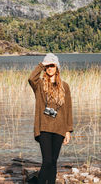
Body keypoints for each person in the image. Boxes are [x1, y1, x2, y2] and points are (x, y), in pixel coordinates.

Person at [28, 53, 73, 184]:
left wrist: (68, 130)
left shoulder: (65, 86)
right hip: (44, 128)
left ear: (57, 67)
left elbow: (68, 109)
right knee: (47, 160)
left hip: (59, 129)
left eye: (52, 65)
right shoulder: (40, 85)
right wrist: (42, 65)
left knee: (53, 162)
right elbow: (31, 78)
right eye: (47, 66)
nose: (50, 68)